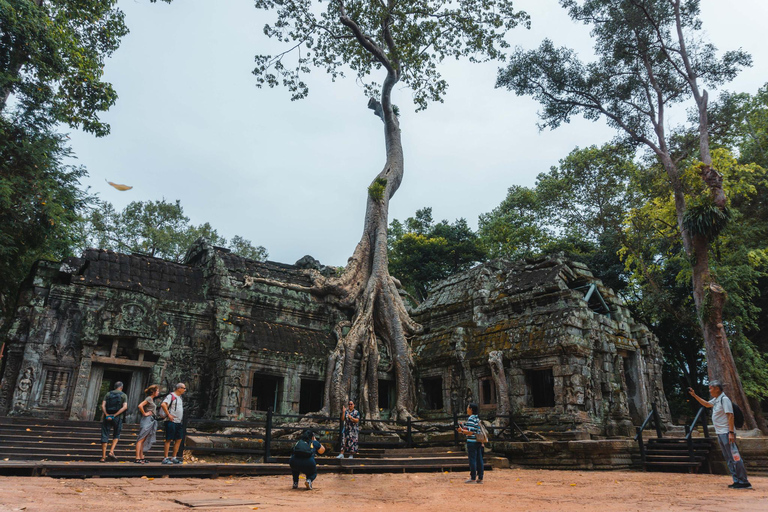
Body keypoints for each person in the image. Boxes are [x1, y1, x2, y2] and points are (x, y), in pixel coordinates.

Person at [689, 382, 752, 489]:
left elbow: (730, 415)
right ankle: (736, 480)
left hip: (727, 433)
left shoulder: (724, 400)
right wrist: (694, 395)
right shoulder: (717, 400)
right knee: (728, 458)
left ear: (717, 389)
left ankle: (744, 481)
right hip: (720, 433)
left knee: (735, 457)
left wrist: (731, 433)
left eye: (710, 388)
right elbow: (706, 404)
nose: (709, 391)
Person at [99, 381, 128, 462]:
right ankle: (111, 451)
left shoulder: (108, 394)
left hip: (107, 417)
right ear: (121, 387)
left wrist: (107, 414)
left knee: (105, 434)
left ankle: (103, 456)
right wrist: (115, 415)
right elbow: (125, 407)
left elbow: (103, 405)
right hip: (117, 417)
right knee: (116, 434)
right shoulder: (123, 395)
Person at [457, 403, 484, 484]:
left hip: (472, 442)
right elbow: (475, 429)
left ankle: (473, 478)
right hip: (478, 441)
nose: (467, 409)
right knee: (479, 459)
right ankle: (480, 477)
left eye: (468, 408)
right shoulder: (477, 418)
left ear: (471, 409)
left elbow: (470, 432)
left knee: (472, 459)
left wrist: (461, 431)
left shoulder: (471, 418)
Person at [161, 382, 187, 465]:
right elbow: (163, 404)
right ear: (179, 388)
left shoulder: (180, 397)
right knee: (169, 439)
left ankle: (174, 457)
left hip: (178, 421)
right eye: (184, 388)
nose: (185, 390)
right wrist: (168, 414)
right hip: (171, 421)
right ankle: (165, 458)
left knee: (179, 439)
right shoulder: (171, 396)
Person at [135, 384, 160, 464]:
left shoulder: (151, 400)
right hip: (147, 419)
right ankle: (137, 457)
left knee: (144, 439)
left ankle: (141, 456)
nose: (158, 392)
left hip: (150, 420)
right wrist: (145, 413)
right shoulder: (149, 398)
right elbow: (140, 405)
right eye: (157, 391)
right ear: (153, 392)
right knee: (141, 439)